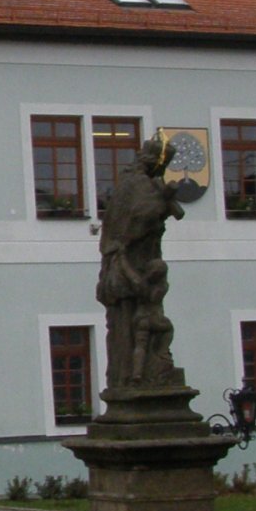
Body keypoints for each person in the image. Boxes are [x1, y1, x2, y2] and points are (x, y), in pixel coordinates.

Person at [95, 136, 186, 390]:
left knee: (142, 324)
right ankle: (134, 374)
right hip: (131, 260)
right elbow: (139, 217)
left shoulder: (139, 183)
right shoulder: (137, 184)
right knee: (128, 323)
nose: (163, 170)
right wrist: (161, 205)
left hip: (142, 258)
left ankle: (149, 368)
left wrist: (164, 204)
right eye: (163, 164)